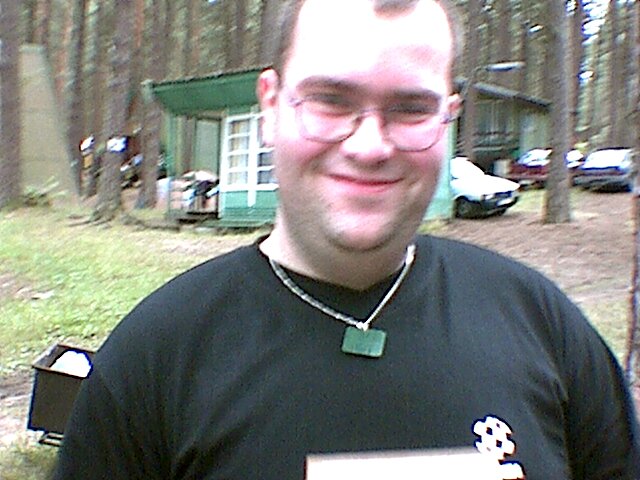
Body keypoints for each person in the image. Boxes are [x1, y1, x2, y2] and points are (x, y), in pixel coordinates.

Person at [53, 0, 639, 478]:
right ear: (270, 106)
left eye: (410, 109)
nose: (369, 146)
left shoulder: (543, 325)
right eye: (331, 101)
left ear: (447, 118)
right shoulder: (154, 360)